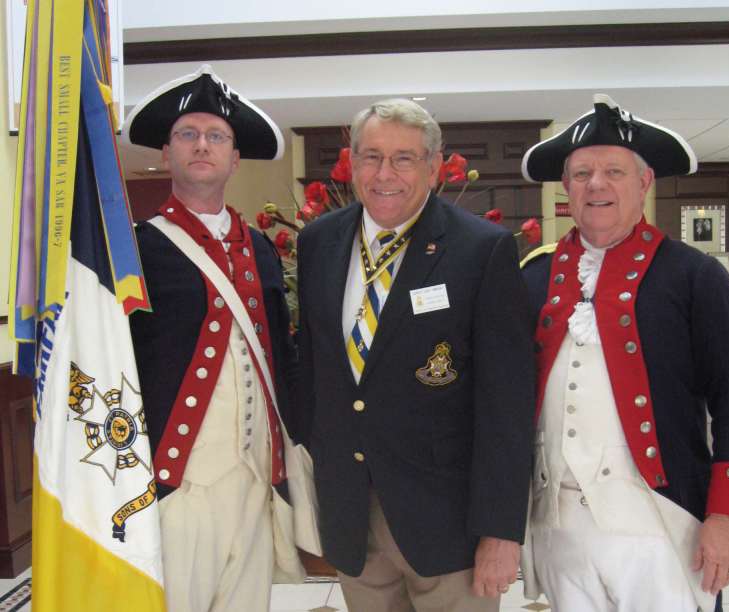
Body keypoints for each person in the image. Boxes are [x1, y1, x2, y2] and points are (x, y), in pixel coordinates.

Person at [519, 94, 729, 612]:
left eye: (614, 171)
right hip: (559, 526)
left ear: (645, 182)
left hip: (660, 521)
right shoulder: (533, 278)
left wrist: (727, 517)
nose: (596, 185)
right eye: (582, 173)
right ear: (566, 186)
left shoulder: (695, 276)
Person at [296, 98, 535, 611]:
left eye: (404, 158)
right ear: (352, 162)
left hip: (448, 523)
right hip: (352, 514)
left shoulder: (480, 248)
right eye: (371, 157)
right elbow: (313, 373)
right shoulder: (319, 243)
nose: (386, 174)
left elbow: (506, 404)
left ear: (432, 166)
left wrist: (501, 529)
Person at [123, 65, 306, 612]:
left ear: (234, 158)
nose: (202, 145)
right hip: (176, 482)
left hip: (255, 480)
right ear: (167, 150)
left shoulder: (261, 246)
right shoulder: (134, 249)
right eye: (188, 134)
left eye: (216, 137)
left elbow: (283, 350)